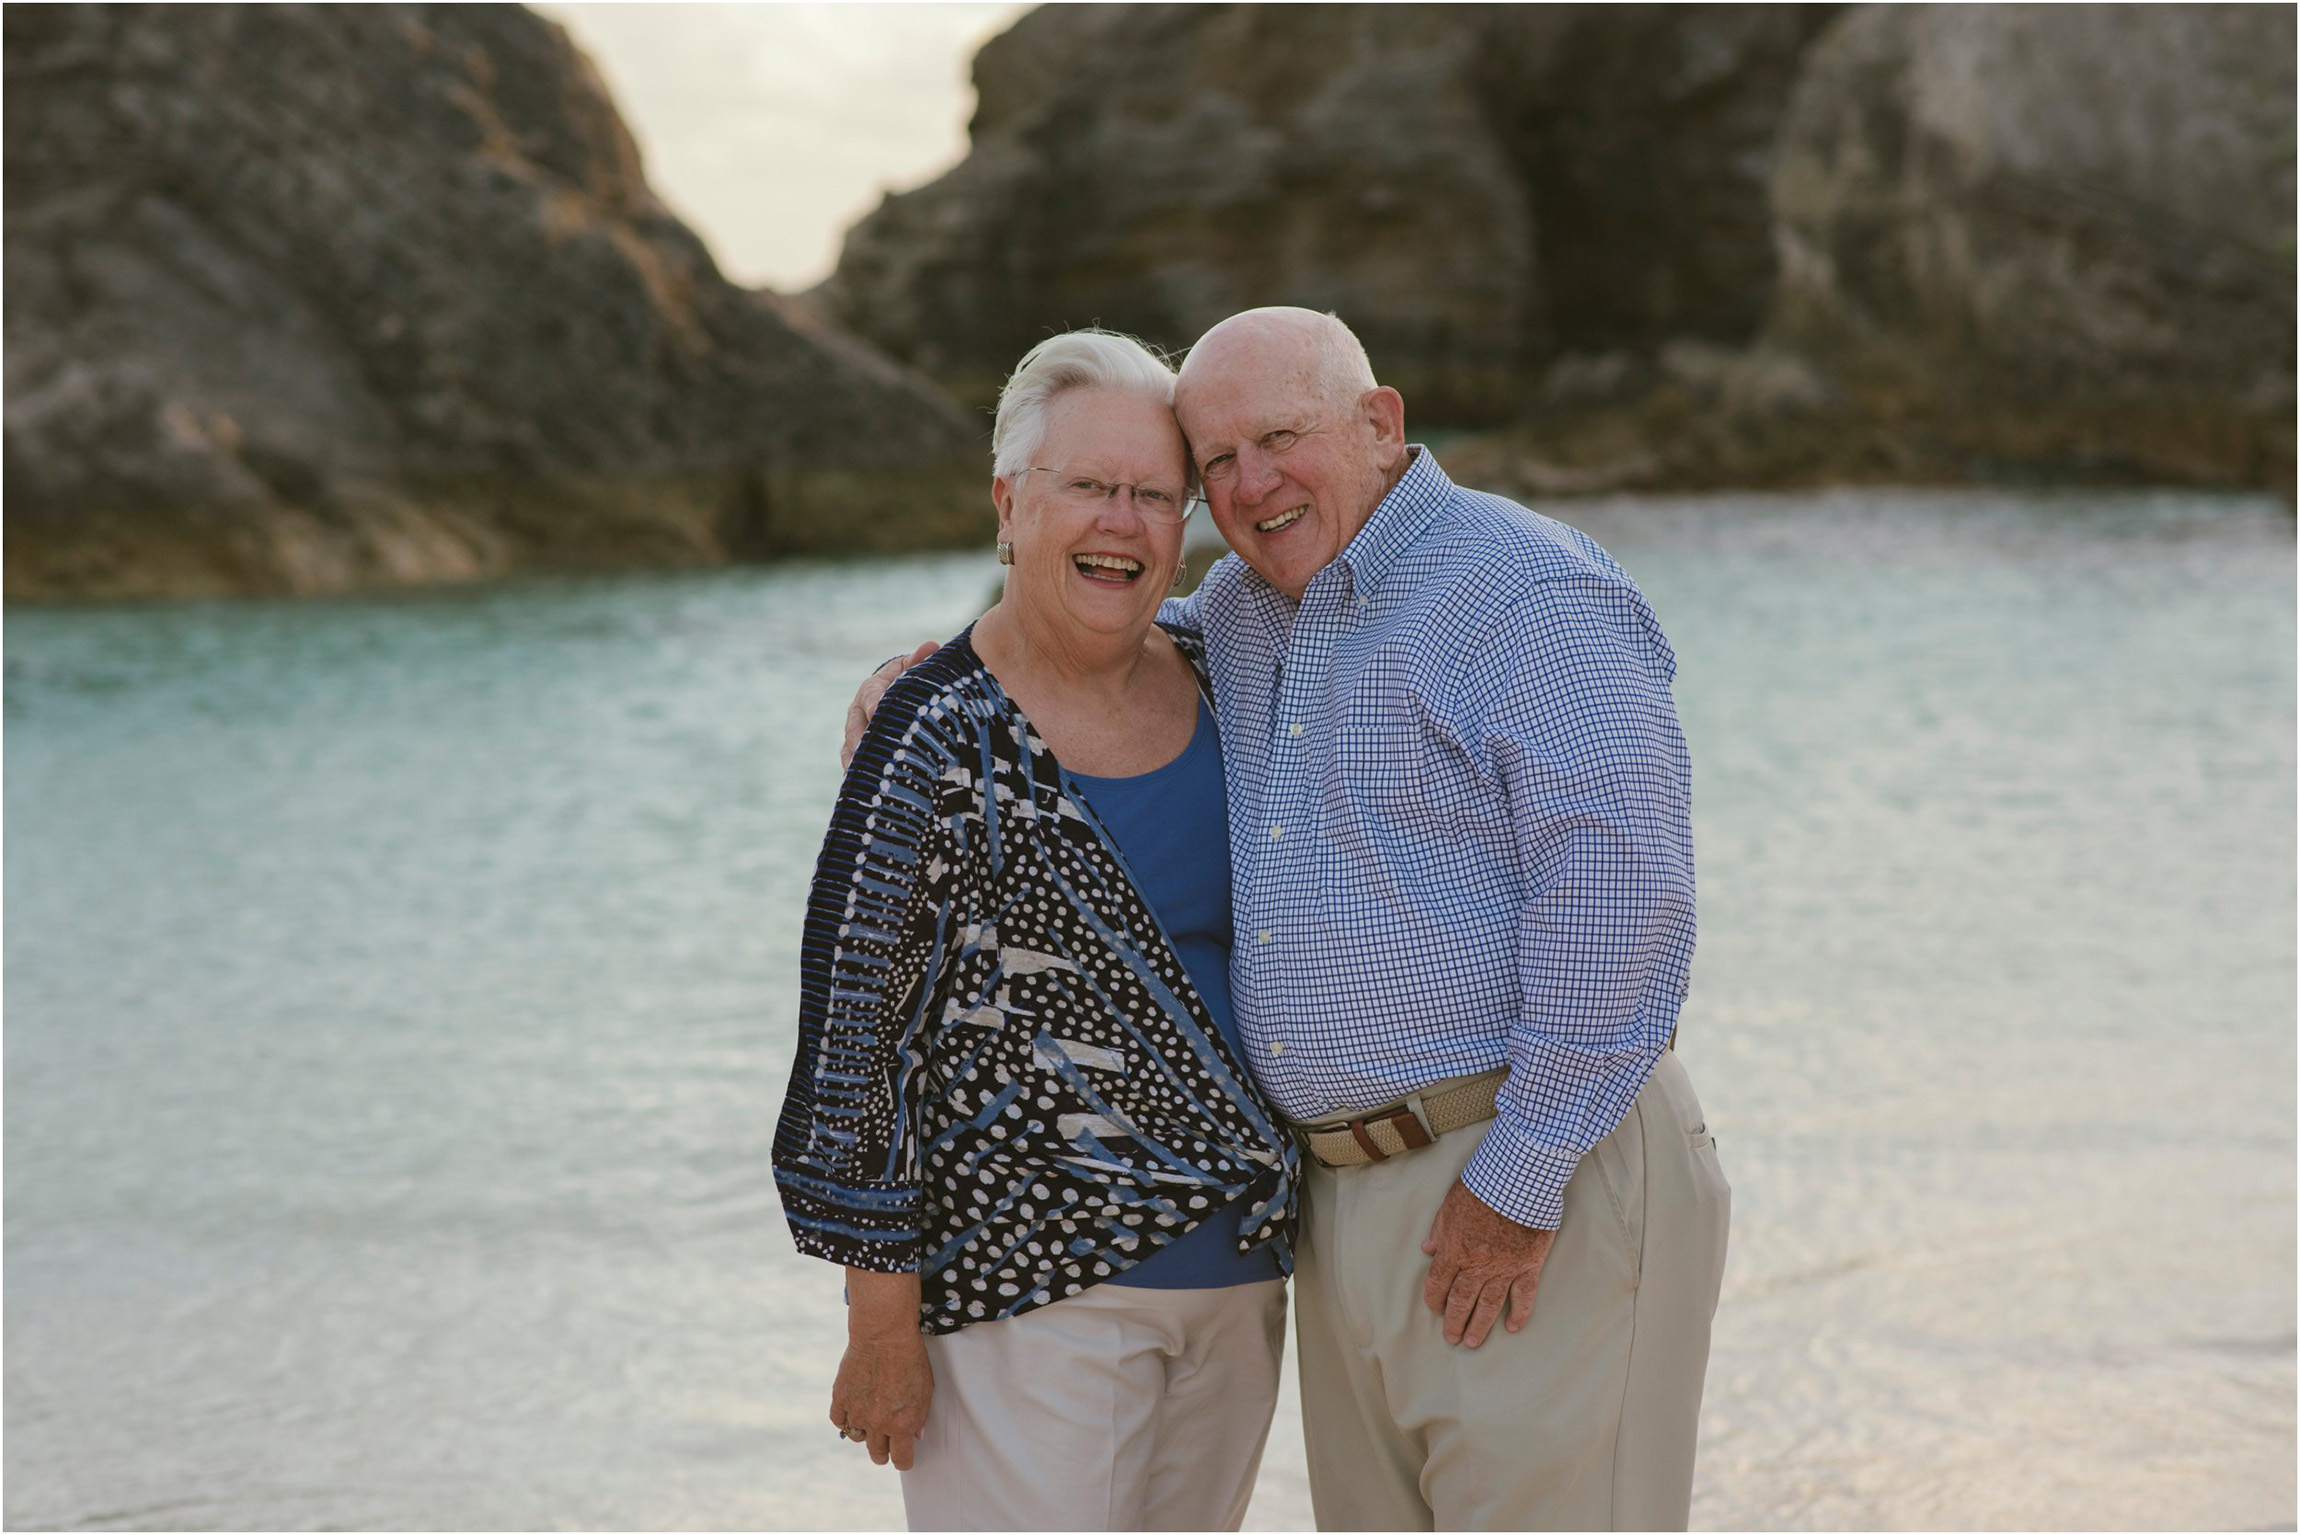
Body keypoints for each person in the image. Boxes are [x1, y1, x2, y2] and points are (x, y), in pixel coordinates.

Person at [848, 307, 1731, 1531]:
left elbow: (1626, 900)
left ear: (1379, 424)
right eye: (1214, 461)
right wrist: (940, 677)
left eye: (1279, 436)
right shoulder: (1248, 616)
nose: (1249, 483)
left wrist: (1519, 1181)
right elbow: (1101, 630)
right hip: (1333, 1207)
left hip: (1535, 1164)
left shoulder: (1524, 587)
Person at [774, 328, 1299, 1532]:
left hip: (1239, 1280)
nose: (1121, 521)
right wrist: (878, 1328)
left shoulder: (1230, 677)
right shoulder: (929, 735)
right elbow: (861, 1052)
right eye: (1087, 487)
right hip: (1021, 1298)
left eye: (1154, 495)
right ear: (1009, 504)